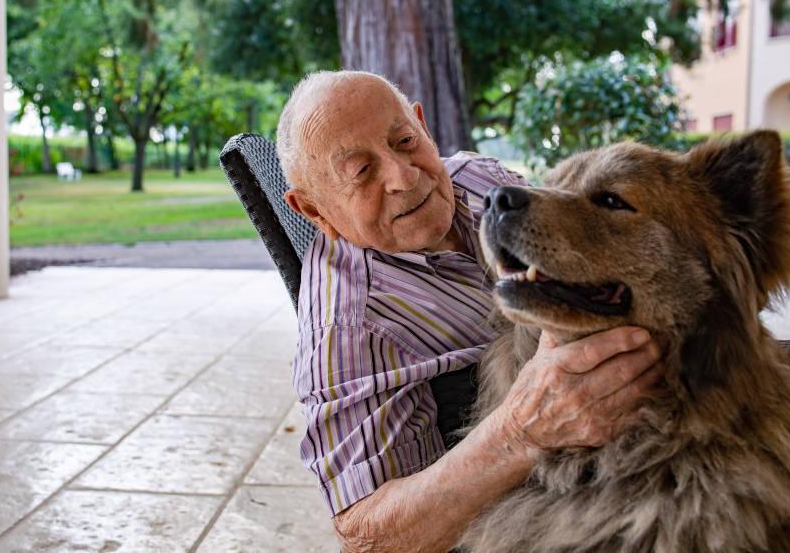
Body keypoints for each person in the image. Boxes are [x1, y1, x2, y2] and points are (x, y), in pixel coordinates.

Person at [276, 70, 663, 552]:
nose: (403, 176)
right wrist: (522, 430)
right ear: (312, 209)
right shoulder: (350, 326)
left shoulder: (480, 178)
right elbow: (369, 537)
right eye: (361, 172)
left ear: (422, 125)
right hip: (565, 508)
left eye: (404, 141)